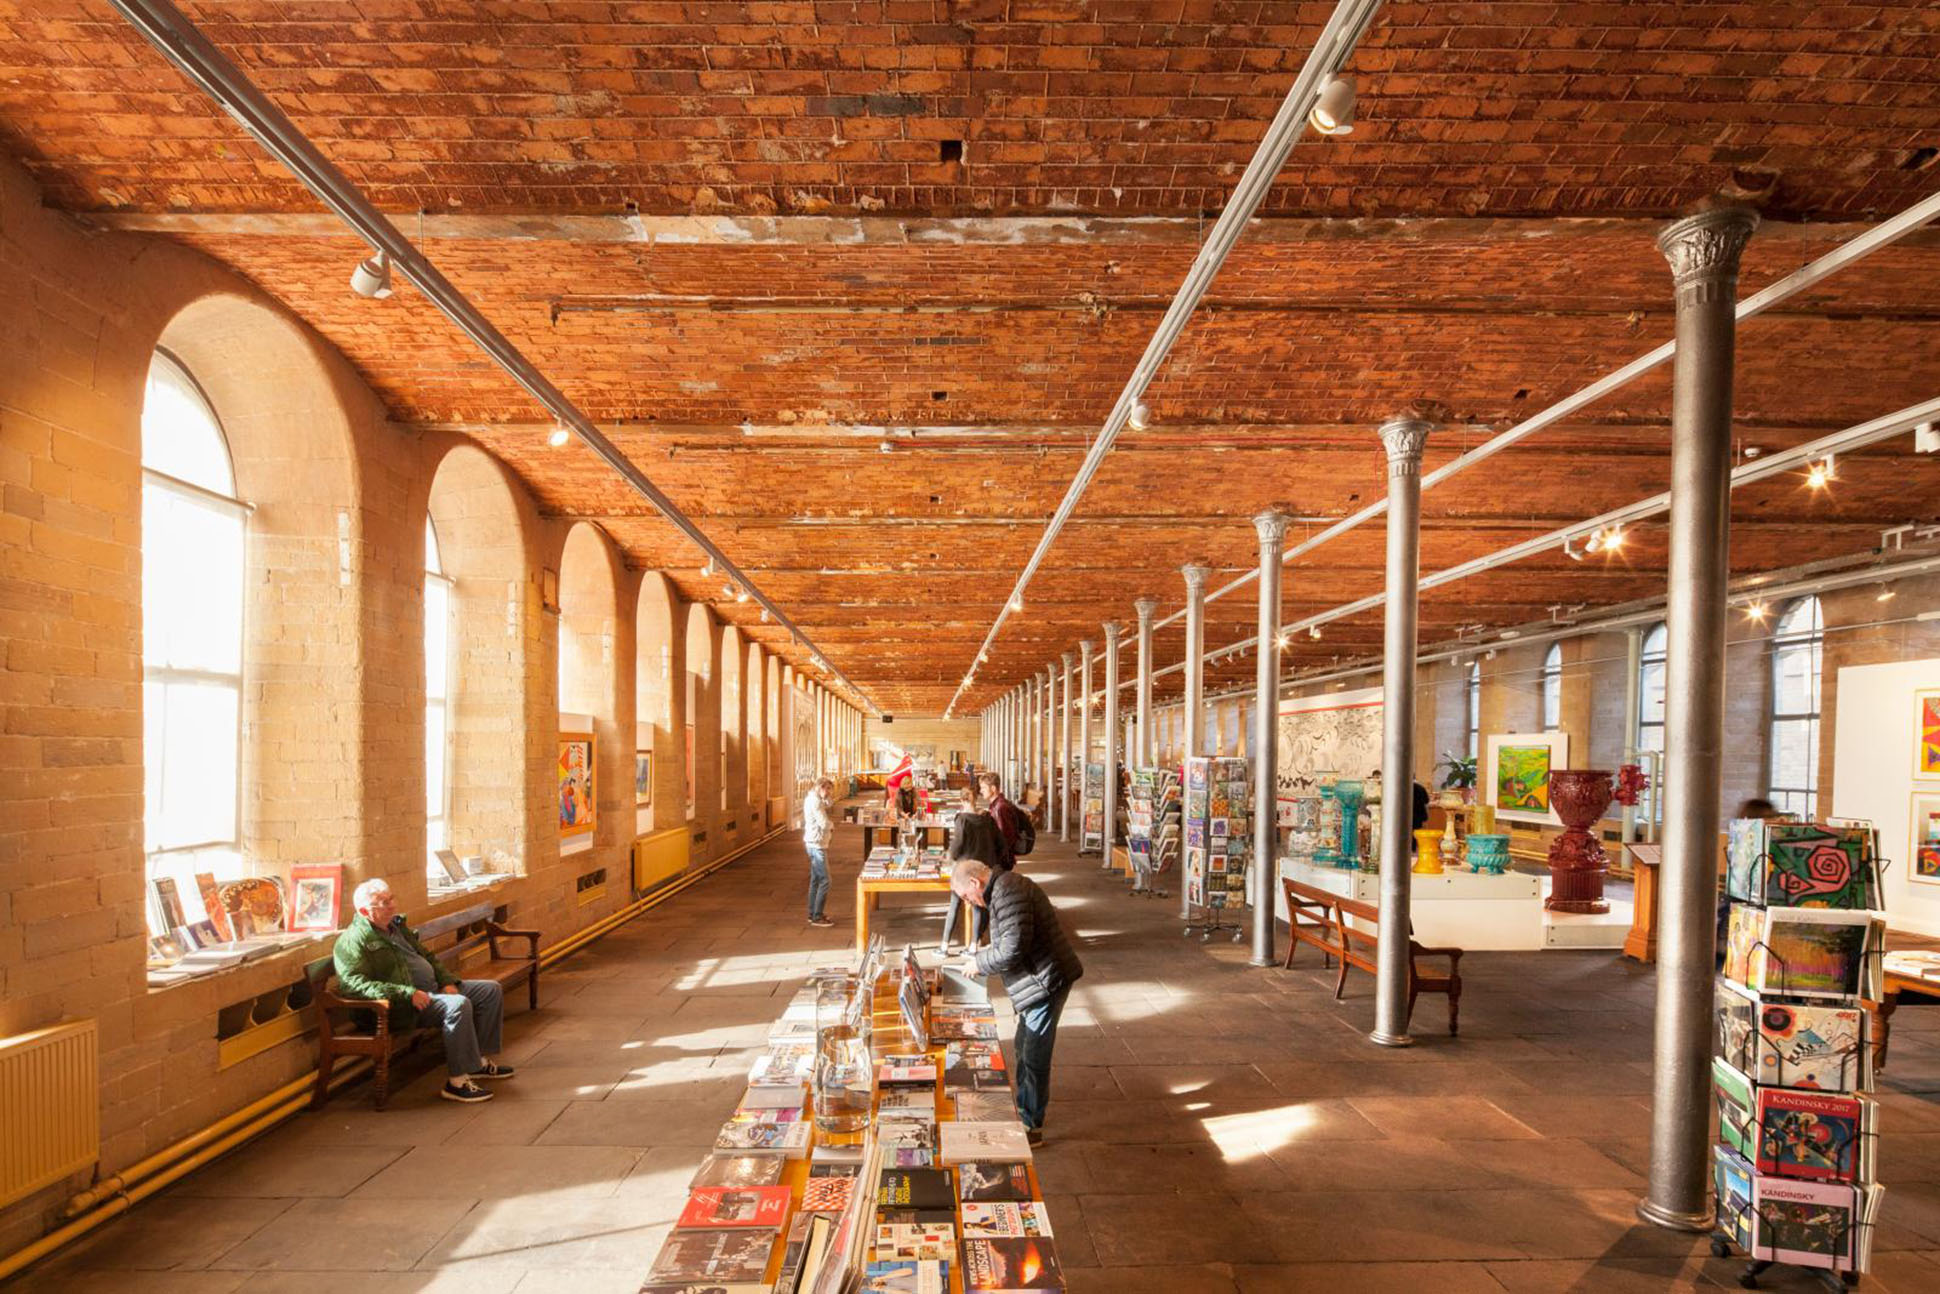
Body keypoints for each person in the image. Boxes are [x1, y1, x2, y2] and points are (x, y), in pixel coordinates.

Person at [332, 879, 515, 1103]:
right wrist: (406, 993)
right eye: (383, 903)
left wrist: (446, 981)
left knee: (490, 991)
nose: (391, 906)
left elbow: (426, 957)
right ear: (364, 910)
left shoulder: (396, 927)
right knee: (458, 1005)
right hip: (401, 1006)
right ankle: (456, 1083)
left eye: (391, 899)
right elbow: (353, 985)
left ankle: (477, 1061)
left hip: (431, 991)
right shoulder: (352, 941)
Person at [950, 858, 1084, 1144]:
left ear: (975, 883)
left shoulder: (1008, 891)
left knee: (1033, 1051)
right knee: (1024, 1045)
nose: (968, 903)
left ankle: (1031, 1124)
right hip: (1037, 978)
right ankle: (1025, 1108)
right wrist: (985, 950)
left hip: (1046, 980)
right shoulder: (1003, 889)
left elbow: (1013, 948)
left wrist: (980, 962)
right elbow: (1011, 937)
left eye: (965, 896)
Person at [941, 786, 1007, 952]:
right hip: (984, 869)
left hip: (965, 869)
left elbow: (957, 846)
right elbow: (1000, 843)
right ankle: (973, 947)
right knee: (978, 905)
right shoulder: (987, 818)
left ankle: (944, 946)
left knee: (955, 904)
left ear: (962, 801)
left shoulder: (962, 820)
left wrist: (950, 856)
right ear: (976, 799)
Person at [802, 776, 835, 928]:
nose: (828, 792)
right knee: (825, 880)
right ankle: (817, 916)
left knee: (815, 880)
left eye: (829, 789)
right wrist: (832, 825)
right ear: (819, 787)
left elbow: (828, 805)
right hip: (817, 844)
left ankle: (812, 913)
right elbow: (823, 822)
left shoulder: (814, 799)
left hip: (814, 842)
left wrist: (827, 798)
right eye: (826, 789)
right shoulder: (815, 802)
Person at [977, 771, 1022, 868]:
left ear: (993, 788)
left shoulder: (1000, 807)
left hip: (1000, 860)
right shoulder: (996, 805)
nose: (981, 791)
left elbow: (1004, 836)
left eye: (983, 788)